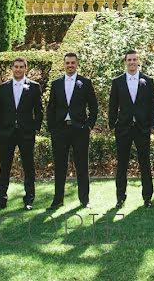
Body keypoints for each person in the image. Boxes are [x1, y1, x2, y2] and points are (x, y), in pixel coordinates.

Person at [46, 52, 98, 210]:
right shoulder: (56, 84)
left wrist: (88, 125)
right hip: (60, 131)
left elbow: (94, 107)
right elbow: (51, 108)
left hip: (80, 130)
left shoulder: (85, 83)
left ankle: (84, 199)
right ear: (64, 64)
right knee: (60, 166)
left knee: (82, 166)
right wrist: (52, 129)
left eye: (73, 63)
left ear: (77, 64)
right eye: (67, 63)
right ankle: (58, 200)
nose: (70, 65)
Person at [0, 57, 43, 211]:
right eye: (16, 67)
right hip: (6, 133)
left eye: (21, 67)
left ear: (26, 68)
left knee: (28, 167)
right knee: (4, 167)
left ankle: (29, 199)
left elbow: (38, 111)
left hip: (26, 133)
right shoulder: (4, 87)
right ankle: (0, 200)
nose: (18, 69)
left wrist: (34, 128)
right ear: (11, 68)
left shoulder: (34, 87)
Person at [108, 49, 154, 209]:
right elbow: (113, 105)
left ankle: (147, 197)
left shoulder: (147, 81)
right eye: (129, 60)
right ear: (125, 62)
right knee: (122, 164)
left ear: (138, 61)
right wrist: (112, 124)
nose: (131, 62)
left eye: (134, 59)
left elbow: (153, 104)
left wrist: (151, 124)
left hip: (142, 128)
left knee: (145, 163)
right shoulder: (117, 82)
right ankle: (120, 197)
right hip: (123, 128)